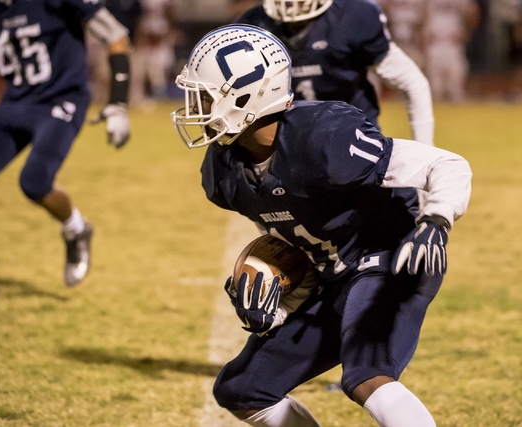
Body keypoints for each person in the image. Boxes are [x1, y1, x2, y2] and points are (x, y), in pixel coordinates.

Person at [171, 24, 472, 426]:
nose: (195, 107)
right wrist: (276, 306)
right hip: (334, 274)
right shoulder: (223, 173)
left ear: (247, 97)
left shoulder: (325, 137)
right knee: (241, 388)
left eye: (205, 96)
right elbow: (297, 240)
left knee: (367, 375)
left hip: (390, 256)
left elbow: (446, 163)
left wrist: (436, 219)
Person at [0, 0, 132, 286]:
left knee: (34, 182)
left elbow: (116, 37)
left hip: (61, 100)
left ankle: (75, 228)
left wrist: (118, 102)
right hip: (15, 102)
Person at [235, 0, 435, 145]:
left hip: (354, 140)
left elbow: (412, 83)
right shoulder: (253, 25)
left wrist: (426, 150)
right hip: (289, 149)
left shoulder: (353, 16)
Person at [419, 0, 480, 103]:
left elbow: (473, 12)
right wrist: (422, 36)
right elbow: (420, 14)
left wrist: (466, 32)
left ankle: (458, 118)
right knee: (435, 89)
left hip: (452, 43)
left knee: (455, 89)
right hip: (434, 43)